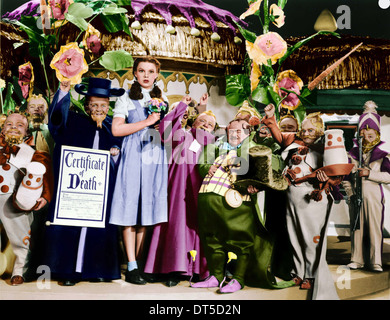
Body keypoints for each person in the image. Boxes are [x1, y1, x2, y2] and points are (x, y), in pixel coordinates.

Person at [43, 77, 124, 286]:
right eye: (94, 105)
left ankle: (96, 270)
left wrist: (116, 154)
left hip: (101, 191)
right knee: (71, 224)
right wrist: (62, 93)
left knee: (100, 227)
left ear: (109, 106)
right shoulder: (74, 121)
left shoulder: (113, 127)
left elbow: (122, 153)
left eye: (103, 105)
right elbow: (56, 122)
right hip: (75, 187)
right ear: (87, 106)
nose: (99, 109)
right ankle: (69, 273)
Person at [262, 104, 342, 299]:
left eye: (310, 130)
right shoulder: (293, 143)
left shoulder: (325, 148)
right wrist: (271, 117)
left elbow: (338, 174)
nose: (306, 133)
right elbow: (278, 134)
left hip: (313, 198)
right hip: (291, 196)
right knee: (294, 236)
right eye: (304, 130)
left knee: (310, 239)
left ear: (319, 131)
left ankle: (312, 275)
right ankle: (298, 272)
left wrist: (327, 180)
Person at [143, 94, 216, 286]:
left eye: (211, 124)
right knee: (176, 227)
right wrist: (184, 104)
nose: (206, 125)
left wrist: (204, 111)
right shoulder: (183, 135)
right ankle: (173, 270)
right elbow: (166, 129)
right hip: (178, 189)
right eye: (203, 121)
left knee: (198, 229)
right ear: (194, 122)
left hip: (202, 191)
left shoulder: (214, 144)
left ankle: (198, 270)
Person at [109, 56, 169, 285]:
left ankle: (141, 264)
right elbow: (116, 130)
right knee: (129, 209)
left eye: (150, 71)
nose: (146, 75)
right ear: (134, 73)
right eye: (141, 70)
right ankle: (131, 265)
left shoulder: (161, 99)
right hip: (133, 155)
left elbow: (168, 131)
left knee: (146, 211)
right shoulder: (125, 97)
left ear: (156, 74)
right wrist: (147, 122)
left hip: (155, 156)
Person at [0, 112, 52, 285]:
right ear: (2, 128)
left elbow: (46, 178)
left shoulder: (33, 154)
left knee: (20, 237)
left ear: (27, 132)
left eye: (19, 125)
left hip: (14, 201)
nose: (13, 127)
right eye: (9, 124)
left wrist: (44, 196)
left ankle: (19, 270)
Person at [342, 101, 390, 272]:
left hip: (374, 194)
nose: (367, 139)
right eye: (364, 136)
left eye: (371, 136)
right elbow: (345, 177)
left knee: (374, 228)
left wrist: (370, 174)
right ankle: (356, 259)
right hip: (356, 194)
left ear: (376, 136)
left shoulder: (383, 156)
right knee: (356, 227)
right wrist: (351, 193)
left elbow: (388, 177)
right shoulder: (351, 155)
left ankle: (375, 260)